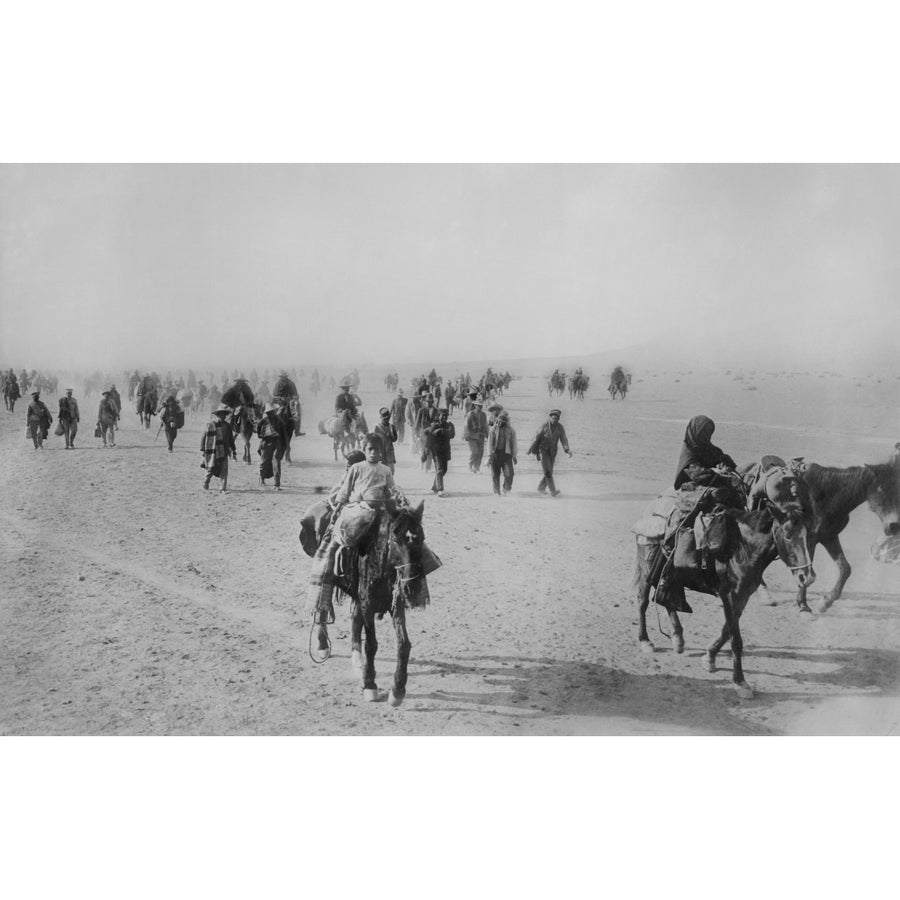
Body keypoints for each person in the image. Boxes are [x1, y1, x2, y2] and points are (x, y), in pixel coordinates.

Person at [673, 415, 739, 496]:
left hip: (712, 483)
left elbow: (728, 462)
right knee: (717, 494)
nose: (706, 435)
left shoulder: (711, 449)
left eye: (708, 432)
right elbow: (697, 474)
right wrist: (718, 473)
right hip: (688, 486)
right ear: (696, 431)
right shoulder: (689, 452)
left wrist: (724, 464)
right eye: (703, 432)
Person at [528, 409, 573, 497]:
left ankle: (541, 487)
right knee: (548, 471)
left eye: (556, 418)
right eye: (552, 418)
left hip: (552, 452)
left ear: (558, 419)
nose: (554, 420)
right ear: (550, 418)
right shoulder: (544, 426)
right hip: (543, 451)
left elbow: (564, 439)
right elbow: (536, 437)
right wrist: (530, 449)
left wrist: (567, 450)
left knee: (549, 471)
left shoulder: (560, 428)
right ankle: (553, 491)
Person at [201, 403, 237, 492]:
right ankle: (206, 481)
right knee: (211, 468)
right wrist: (202, 449)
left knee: (224, 469)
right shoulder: (210, 425)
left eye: (224, 414)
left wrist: (233, 449)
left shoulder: (228, 426)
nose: (223, 416)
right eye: (221, 414)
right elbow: (204, 437)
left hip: (224, 450)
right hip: (213, 450)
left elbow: (230, 439)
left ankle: (222, 488)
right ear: (217, 415)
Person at [425, 408, 455, 496]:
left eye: (446, 416)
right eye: (442, 416)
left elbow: (452, 434)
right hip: (436, 452)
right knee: (440, 469)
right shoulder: (434, 426)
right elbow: (429, 438)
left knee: (444, 469)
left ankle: (434, 487)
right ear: (439, 416)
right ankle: (440, 490)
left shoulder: (449, 425)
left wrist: (441, 431)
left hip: (445, 451)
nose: (444, 418)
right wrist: (426, 451)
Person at [257, 402, 286, 489]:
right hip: (266, 442)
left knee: (276, 462)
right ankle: (261, 479)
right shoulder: (263, 421)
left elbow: (283, 433)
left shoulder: (278, 420)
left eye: (271, 412)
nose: (270, 414)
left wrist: (283, 445)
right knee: (264, 461)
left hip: (276, 442)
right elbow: (258, 430)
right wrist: (261, 436)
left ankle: (277, 484)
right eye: (268, 412)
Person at [488, 410, 517, 495]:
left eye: (503, 422)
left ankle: (506, 488)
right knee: (495, 474)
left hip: (506, 455)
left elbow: (514, 443)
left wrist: (514, 456)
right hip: (495, 454)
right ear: (497, 421)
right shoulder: (493, 429)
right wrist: (490, 455)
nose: (500, 424)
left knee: (509, 474)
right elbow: (490, 443)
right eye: (499, 422)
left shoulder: (511, 430)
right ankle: (497, 492)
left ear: (506, 422)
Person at [414, 393, 440, 469]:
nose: (429, 403)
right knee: (424, 450)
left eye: (431, 401)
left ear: (433, 402)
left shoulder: (436, 411)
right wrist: (416, 434)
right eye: (428, 401)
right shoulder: (421, 410)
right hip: (423, 434)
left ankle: (427, 468)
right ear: (425, 401)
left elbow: (438, 422)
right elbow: (417, 423)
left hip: (432, 434)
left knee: (430, 452)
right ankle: (422, 464)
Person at [463, 396, 488, 473]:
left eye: (481, 406)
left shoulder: (484, 415)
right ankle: (470, 465)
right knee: (474, 452)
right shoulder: (470, 414)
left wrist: (487, 434)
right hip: (472, 435)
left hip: (481, 436)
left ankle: (477, 468)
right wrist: (466, 435)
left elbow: (486, 425)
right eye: (478, 406)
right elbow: (466, 425)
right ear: (475, 405)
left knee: (480, 453)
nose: (480, 407)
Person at [373, 407, 398, 473]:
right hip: (380, 454)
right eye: (385, 419)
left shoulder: (392, 427)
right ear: (381, 418)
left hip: (389, 453)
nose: (386, 420)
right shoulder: (377, 427)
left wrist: (391, 434)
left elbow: (395, 439)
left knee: (391, 472)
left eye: (388, 418)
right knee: (381, 473)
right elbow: (373, 441)